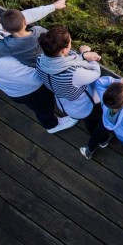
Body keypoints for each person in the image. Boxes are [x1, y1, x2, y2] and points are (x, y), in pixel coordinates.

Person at [0, 7, 78, 134]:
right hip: (29, 91)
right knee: (44, 108)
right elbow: (35, 78)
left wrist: (52, 6)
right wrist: (60, 64)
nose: (1, 25)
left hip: (20, 82)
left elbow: (18, 20)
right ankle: (52, 125)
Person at [36, 26, 111, 159]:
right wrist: (88, 55)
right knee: (98, 118)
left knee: (89, 120)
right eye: (70, 42)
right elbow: (95, 73)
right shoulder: (72, 74)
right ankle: (103, 139)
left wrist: (82, 55)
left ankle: (98, 135)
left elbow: (66, 60)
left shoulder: (40, 60)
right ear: (64, 49)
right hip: (83, 105)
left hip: (64, 102)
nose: (72, 45)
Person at [0, 0, 69, 67]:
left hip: (42, 65)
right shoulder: (38, 30)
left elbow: (26, 15)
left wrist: (53, 6)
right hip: (42, 71)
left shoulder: (7, 44)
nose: (0, 24)